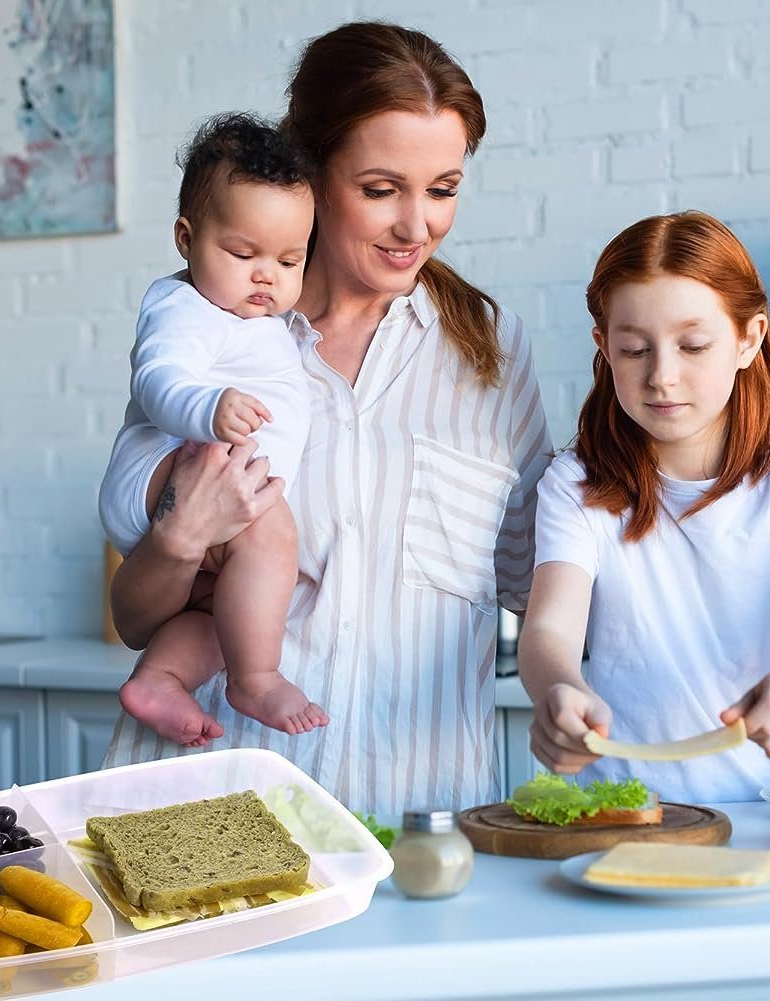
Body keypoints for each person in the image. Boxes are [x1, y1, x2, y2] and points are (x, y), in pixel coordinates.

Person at [100, 22, 552, 818]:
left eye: (442, 189)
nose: (418, 226)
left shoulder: (491, 351)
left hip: (416, 810)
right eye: (381, 190)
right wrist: (179, 533)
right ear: (311, 170)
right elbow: (135, 618)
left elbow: (541, 581)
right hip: (214, 800)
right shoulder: (223, 334)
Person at [516, 211, 770, 803]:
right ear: (604, 348)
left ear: (749, 339)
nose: (662, 376)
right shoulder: (575, 483)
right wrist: (558, 687)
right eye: (634, 349)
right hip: (633, 805)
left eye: (692, 345)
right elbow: (550, 629)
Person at [97, 113, 326, 743]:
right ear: (186, 238)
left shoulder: (262, 321)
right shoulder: (187, 307)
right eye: (243, 253)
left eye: (288, 259)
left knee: (220, 613)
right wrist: (208, 408)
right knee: (272, 532)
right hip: (165, 468)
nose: (265, 275)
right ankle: (257, 678)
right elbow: (158, 376)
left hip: (201, 499)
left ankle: (160, 679)